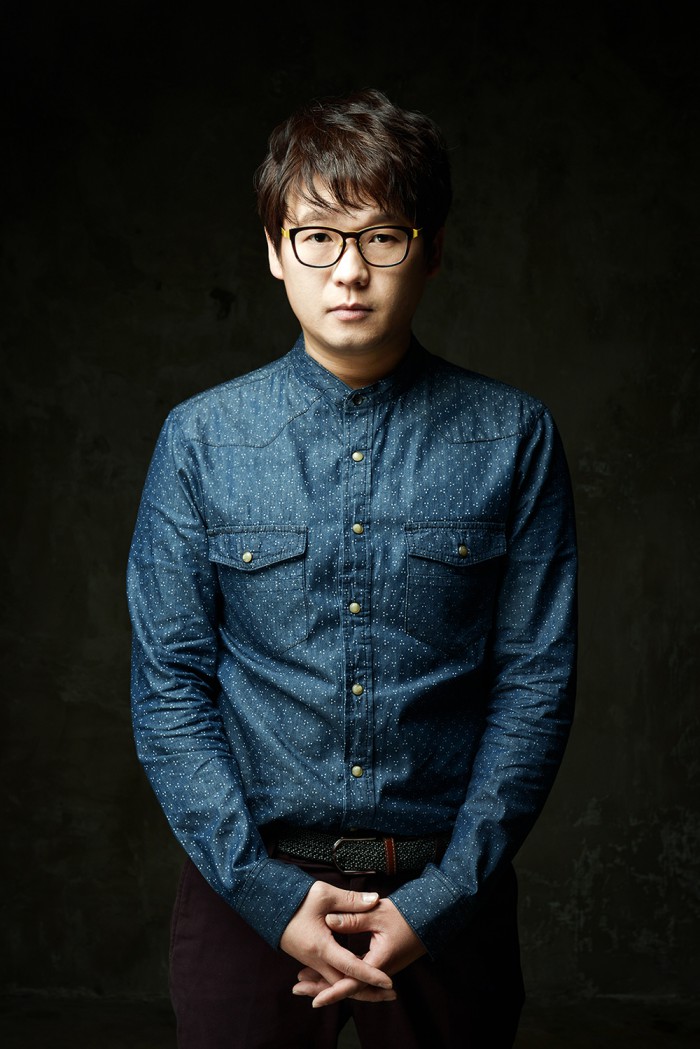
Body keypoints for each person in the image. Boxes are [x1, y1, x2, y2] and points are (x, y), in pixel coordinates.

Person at [127, 87, 578, 1049]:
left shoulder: (515, 437)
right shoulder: (201, 440)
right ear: (274, 250)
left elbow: (536, 683)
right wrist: (268, 895)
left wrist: (441, 900)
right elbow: (168, 687)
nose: (349, 271)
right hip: (248, 889)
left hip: (445, 898)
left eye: (382, 237)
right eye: (318, 237)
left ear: (433, 249)